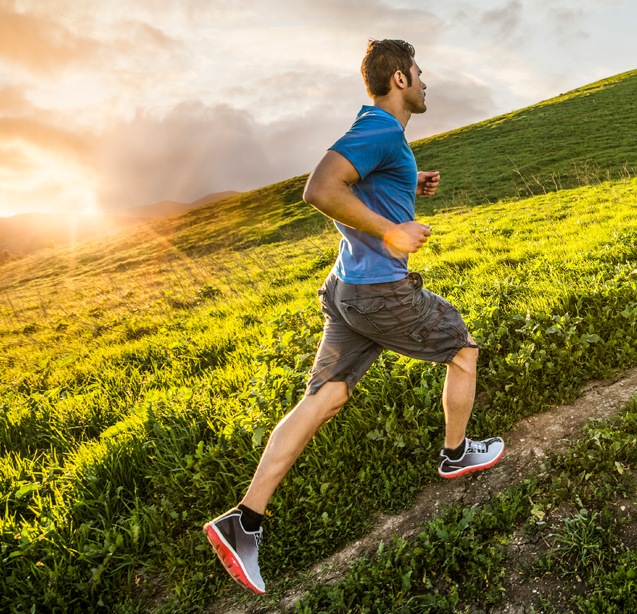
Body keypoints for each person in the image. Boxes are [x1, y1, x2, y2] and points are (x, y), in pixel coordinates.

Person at [203, 39, 504, 595]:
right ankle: (456, 455)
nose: (425, 82)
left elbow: (355, 182)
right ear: (398, 78)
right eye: (418, 73)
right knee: (463, 350)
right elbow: (320, 189)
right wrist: (391, 230)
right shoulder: (382, 129)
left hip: (347, 289)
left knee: (327, 396)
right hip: (378, 294)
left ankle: (243, 520)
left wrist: (406, 187)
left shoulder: (379, 134)